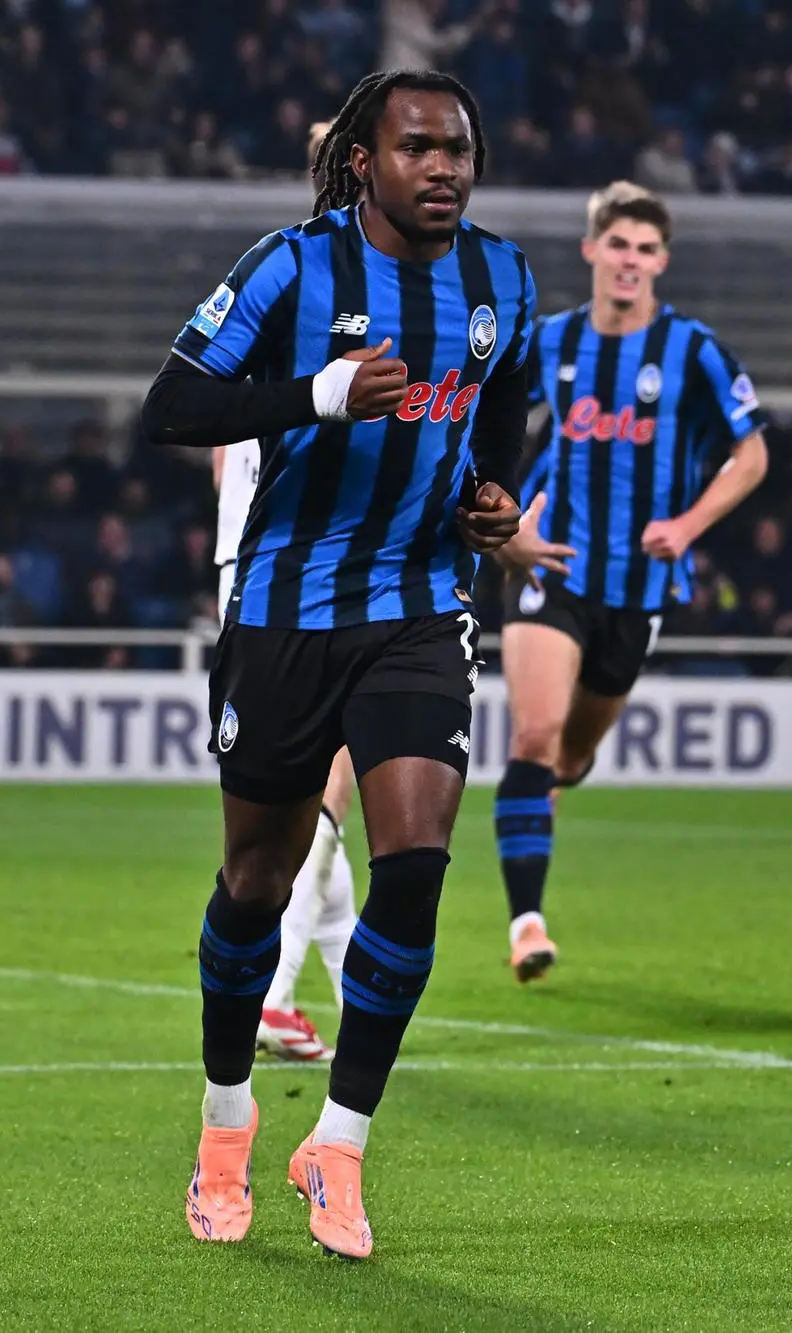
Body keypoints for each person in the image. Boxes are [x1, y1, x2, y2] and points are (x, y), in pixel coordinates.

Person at [140, 69, 534, 1261]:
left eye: (459, 147)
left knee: (412, 867)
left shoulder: (501, 276)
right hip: (283, 609)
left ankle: (341, 1143)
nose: (446, 168)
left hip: (417, 604)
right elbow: (171, 406)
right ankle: (225, 1124)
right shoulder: (289, 268)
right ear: (363, 159)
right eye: (418, 148)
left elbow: (508, 390)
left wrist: (489, 494)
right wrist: (314, 394)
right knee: (255, 884)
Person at [491, 182, 769, 983]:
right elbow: (482, 426)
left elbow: (750, 454)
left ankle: (543, 802)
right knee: (534, 739)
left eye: (646, 249)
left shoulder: (694, 351)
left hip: (639, 583)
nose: (630, 261)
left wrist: (687, 527)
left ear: (661, 262)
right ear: (591, 251)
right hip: (554, 564)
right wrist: (506, 519)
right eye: (617, 244)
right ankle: (526, 921)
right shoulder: (548, 342)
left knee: (570, 758)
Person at [209, 119, 359, 1066]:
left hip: (252, 561)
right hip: (307, 573)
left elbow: (220, 436)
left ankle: (345, 986)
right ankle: (270, 992)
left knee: (316, 800)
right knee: (324, 798)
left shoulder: (280, 285)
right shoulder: (319, 291)